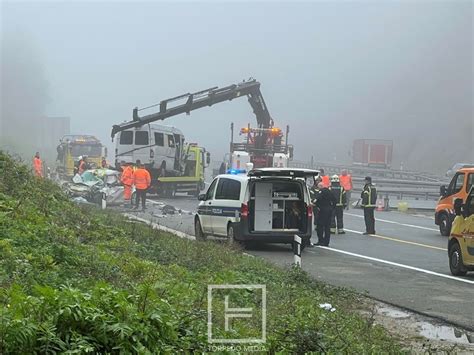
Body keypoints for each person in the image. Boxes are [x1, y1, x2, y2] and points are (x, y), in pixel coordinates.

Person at [314, 182, 336, 246]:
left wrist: (315, 204)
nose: (318, 188)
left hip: (323, 210)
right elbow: (334, 200)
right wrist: (332, 208)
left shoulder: (321, 191)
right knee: (327, 227)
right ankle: (326, 242)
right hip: (329, 210)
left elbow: (318, 199)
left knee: (320, 226)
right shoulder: (329, 191)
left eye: (318, 187)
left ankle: (320, 241)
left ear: (320, 186)